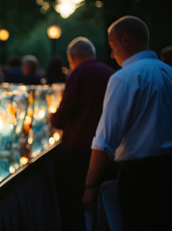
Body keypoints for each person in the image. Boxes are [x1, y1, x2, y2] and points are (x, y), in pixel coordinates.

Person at [83, 16, 172, 230]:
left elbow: (104, 139)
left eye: (112, 45)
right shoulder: (171, 74)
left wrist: (90, 185)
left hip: (140, 178)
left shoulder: (124, 77)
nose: (112, 53)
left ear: (126, 40)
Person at [50, 37, 116, 231]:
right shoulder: (111, 73)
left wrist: (52, 118)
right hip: (106, 151)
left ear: (71, 57)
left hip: (77, 150)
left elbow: (64, 116)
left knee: (73, 207)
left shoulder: (79, 73)